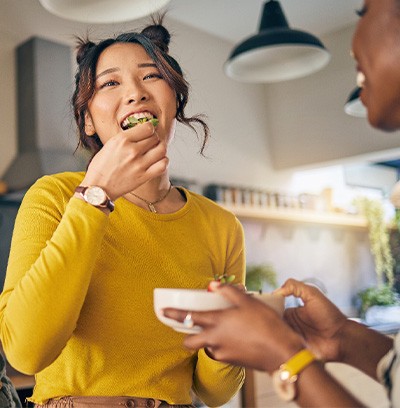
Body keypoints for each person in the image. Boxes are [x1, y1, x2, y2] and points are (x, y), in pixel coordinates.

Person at [163, 0, 400, 406]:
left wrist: (285, 356)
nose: (353, 41)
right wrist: (342, 335)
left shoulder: (219, 225)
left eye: (364, 10)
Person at [0, 16, 245, 408]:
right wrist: (96, 195)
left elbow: (215, 392)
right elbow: (26, 353)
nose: (135, 93)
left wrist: (229, 337)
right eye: (110, 83)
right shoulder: (53, 197)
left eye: (151, 77)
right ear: (88, 120)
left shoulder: (221, 226)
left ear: (175, 101)